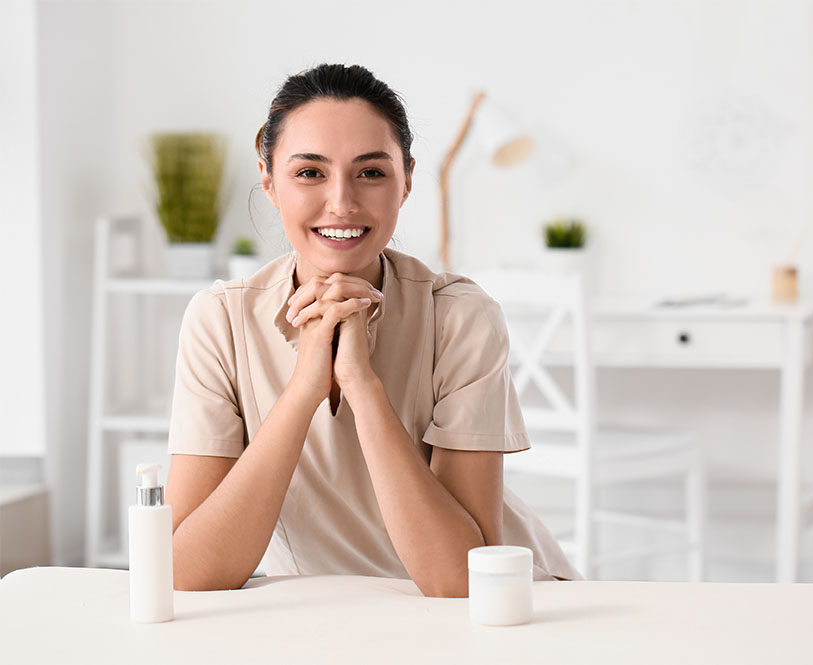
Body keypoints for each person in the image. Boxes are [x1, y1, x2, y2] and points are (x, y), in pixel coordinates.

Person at [164, 63, 580, 596]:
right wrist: (303, 391)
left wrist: (362, 385)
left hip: (500, 611)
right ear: (269, 181)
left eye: (371, 172)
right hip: (331, 618)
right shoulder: (220, 321)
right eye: (310, 172)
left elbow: (461, 582)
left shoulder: (460, 318)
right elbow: (185, 575)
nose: (341, 202)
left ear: (406, 180)